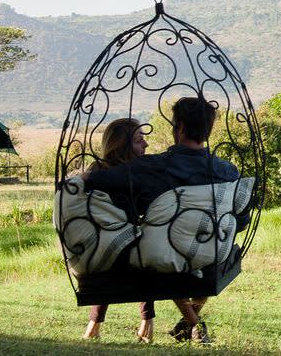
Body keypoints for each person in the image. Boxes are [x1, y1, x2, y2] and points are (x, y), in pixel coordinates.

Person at [83, 95, 244, 344]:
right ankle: (192, 321)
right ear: (208, 129)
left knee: (153, 248)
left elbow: (96, 181)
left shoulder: (153, 167)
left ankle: (188, 323)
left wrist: (78, 180)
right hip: (209, 255)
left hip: (165, 256)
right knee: (227, 257)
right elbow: (241, 220)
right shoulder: (228, 171)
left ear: (178, 126)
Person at [80, 117, 158, 343]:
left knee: (130, 246)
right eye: (138, 140)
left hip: (103, 250)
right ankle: (148, 321)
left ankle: (94, 325)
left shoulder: (95, 172)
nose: (146, 145)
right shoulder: (130, 175)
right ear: (122, 146)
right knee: (142, 250)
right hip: (119, 249)